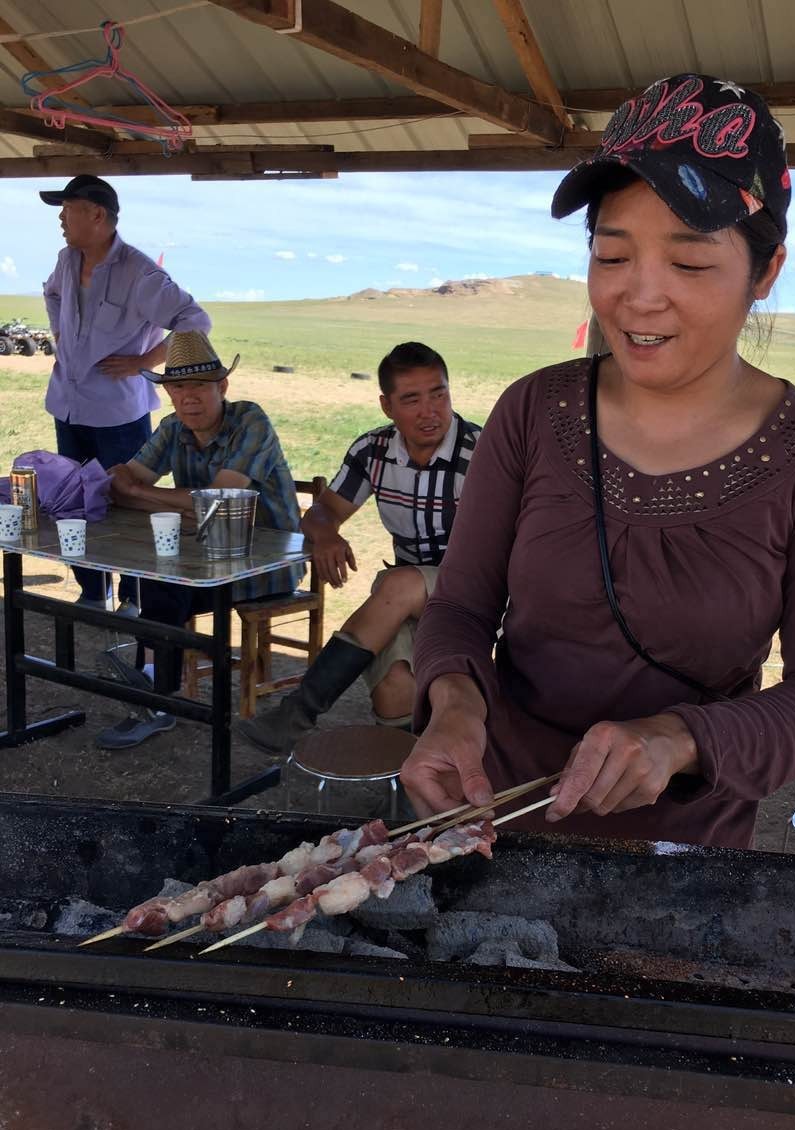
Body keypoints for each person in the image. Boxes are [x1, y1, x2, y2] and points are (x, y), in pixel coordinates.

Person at [398, 70, 795, 1130]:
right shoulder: (531, 413)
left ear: (765, 269)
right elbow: (460, 604)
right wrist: (454, 702)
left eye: (691, 258)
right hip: (495, 822)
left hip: (684, 858)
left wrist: (680, 739)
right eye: (613, 252)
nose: (640, 293)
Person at [237, 342, 481, 756]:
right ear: (387, 406)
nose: (430, 411)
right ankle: (405, 798)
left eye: (439, 394)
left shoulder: (480, 452)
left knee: (399, 583)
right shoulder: (374, 450)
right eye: (412, 399)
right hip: (409, 593)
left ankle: (298, 712)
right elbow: (321, 512)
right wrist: (327, 534)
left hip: (478, 591)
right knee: (394, 683)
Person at [96, 330, 304, 749]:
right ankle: (158, 692)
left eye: (199, 386)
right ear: (167, 392)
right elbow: (122, 482)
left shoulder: (251, 421)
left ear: (222, 386)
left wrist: (144, 494)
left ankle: (157, 696)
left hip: (265, 565)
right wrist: (151, 494)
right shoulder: (173, 427)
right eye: (177, 387)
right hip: (202, 559)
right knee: (157, 572)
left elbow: (218, 502)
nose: (188, 397)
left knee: (164, 580)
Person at [40, 173, 211, 613]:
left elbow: (195, 322)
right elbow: (52, 293)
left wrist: (142, 363)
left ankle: (135, 596)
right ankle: (93, 591)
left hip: (118, 412)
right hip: (70, 404)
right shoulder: (66, 259)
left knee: (128, 500)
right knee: (73, 499)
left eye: (68, 208)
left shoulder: (141, 273)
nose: (61, 218)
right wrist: (60, 330)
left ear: (97, 215)